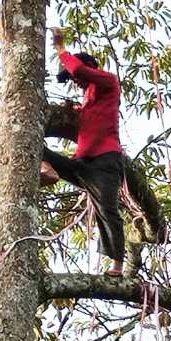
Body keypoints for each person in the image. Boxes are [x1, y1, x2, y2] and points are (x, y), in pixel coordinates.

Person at [43, 27, 127, 276]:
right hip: (82, 165)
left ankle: (118, 265)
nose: (76, 81)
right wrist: (73, 110)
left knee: (107, 211)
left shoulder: (109, 82)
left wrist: (60, 47)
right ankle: (46, 170)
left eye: (76, 78)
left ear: (92, 68)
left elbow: (78, 69)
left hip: (105, 163)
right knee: (34, 147)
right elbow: (86, 115)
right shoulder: (88, 99)